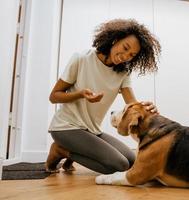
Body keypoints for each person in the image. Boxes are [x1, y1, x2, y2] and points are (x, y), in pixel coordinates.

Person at [46, 19, 161, 174]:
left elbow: (132, 104)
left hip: (92, 130)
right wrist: (80, 94)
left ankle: (72, 155)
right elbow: (54, 96)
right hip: (66, 127)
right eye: (125, 48)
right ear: (115, 39)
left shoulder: (123, 72)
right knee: (118, 165)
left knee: (132, 161)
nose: (125, 56)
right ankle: (61, 150)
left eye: (132, 55)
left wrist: (146, 109)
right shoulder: (82, 59)